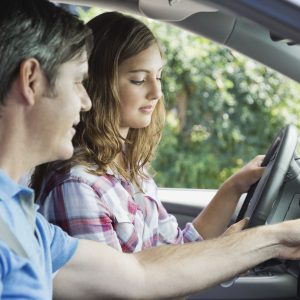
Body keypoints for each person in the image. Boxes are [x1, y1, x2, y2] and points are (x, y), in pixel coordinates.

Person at [3, 1, 300, 299]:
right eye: (79, 82)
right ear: (31, 79)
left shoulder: (30, 227)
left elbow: (139, 276)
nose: (86, 100)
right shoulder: (70, 188)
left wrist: (273, 237)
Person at [32, 12, 264, 251]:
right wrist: (230, 250)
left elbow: (176, 249)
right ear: (99, 85)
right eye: (139, 80)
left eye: (158, 77)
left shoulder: (131, 167)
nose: (157, 92)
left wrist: (235, 186)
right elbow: (121, 287)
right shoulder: (78, 186)